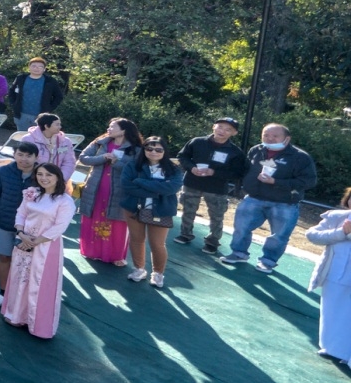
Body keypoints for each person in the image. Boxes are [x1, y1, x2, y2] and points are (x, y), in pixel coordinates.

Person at [222, 123, 319, 274]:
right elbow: (246, 170)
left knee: (278, 236)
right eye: (266, 135)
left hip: (284, 203)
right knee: (241, 227)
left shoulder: (300, 157)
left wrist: (276, 182)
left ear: (287, 139)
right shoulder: (256, 150)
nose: (270, 139)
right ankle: (239, 253)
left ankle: (268, 261)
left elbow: (308, 181)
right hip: (253, 198)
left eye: (275, 136)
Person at [2, 163, 75, 339]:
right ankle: (15, 315)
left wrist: (34, 242)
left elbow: (60, 226)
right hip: (23, 241)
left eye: (49, 175)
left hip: (46, 247)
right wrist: (21, 233)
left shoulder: (65, 201)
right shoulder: (31, 194)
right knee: (20, 278)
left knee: (40, 283)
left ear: (58, 177)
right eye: (40, 174)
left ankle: (37, 324)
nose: (44, 178)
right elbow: (21, 214)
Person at [76, 118, 143, 267]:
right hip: (96, 187)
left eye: (113, 126)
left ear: (124, 130)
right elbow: (83, 158)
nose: (109, 129)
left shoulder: (136, 149)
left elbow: (137, 170)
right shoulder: (100, 142)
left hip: (119, 190)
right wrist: (103, 157)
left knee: (116, 220)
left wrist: (117, 163)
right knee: (94, 216)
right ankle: (92, 251)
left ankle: (115, 255)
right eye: (109, 126)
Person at [0, 141, 40, 309]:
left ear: (36, 157)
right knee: (4, 257)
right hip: (4, 223)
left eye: (29, 155)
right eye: (20, 154)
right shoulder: (3, 172)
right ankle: (3, 293)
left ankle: (24, 296)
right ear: (14, 155)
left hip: (31, 228)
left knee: (29, 262)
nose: (24, 159)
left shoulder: (43, 174)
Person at [175, 117, 245, 255]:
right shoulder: (197, 142)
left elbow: (238, 173)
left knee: (216, 216)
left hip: (216, 188)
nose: (222, 131)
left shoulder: (235, 152)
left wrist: (215, 172)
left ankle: (212, 242)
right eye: (220, 127)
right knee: (188, 210)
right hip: (192, 183)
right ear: (213, 127)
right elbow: (182, 157)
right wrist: (191, 168)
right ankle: (185, 234)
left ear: (234, 133)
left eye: (228, 130)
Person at [119, 137, 183, 286]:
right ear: (144, 150)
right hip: (133, 208)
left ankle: (158, 273)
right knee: (136, 239)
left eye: (158, 149)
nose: (154, 152)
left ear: (164, 151)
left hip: (161, 210)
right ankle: (139, 269)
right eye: (149, 149)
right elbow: (127, 186)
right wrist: (158, 189)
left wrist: (141, 182)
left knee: (157, 244)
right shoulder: (133, 166)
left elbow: (172, 188)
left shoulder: (173, 169)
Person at [305, 190, 351, 365]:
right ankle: (333, 349)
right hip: (334, 273)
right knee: (331, 311)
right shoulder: (336, 217)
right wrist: (341, 233)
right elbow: (312, 235)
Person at [7, 56, 66, 130]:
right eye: (34, 66)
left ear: (44, 69)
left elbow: (58, 96)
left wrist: (49, 108)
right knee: (23, 139)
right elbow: (12, 92)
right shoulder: (21, 78)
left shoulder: (50, 81)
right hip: (22, 115)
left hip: (41, 116)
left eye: (40, 67)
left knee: (39, 140)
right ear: (29, 67)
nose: (36, 68)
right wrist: (13, 104)